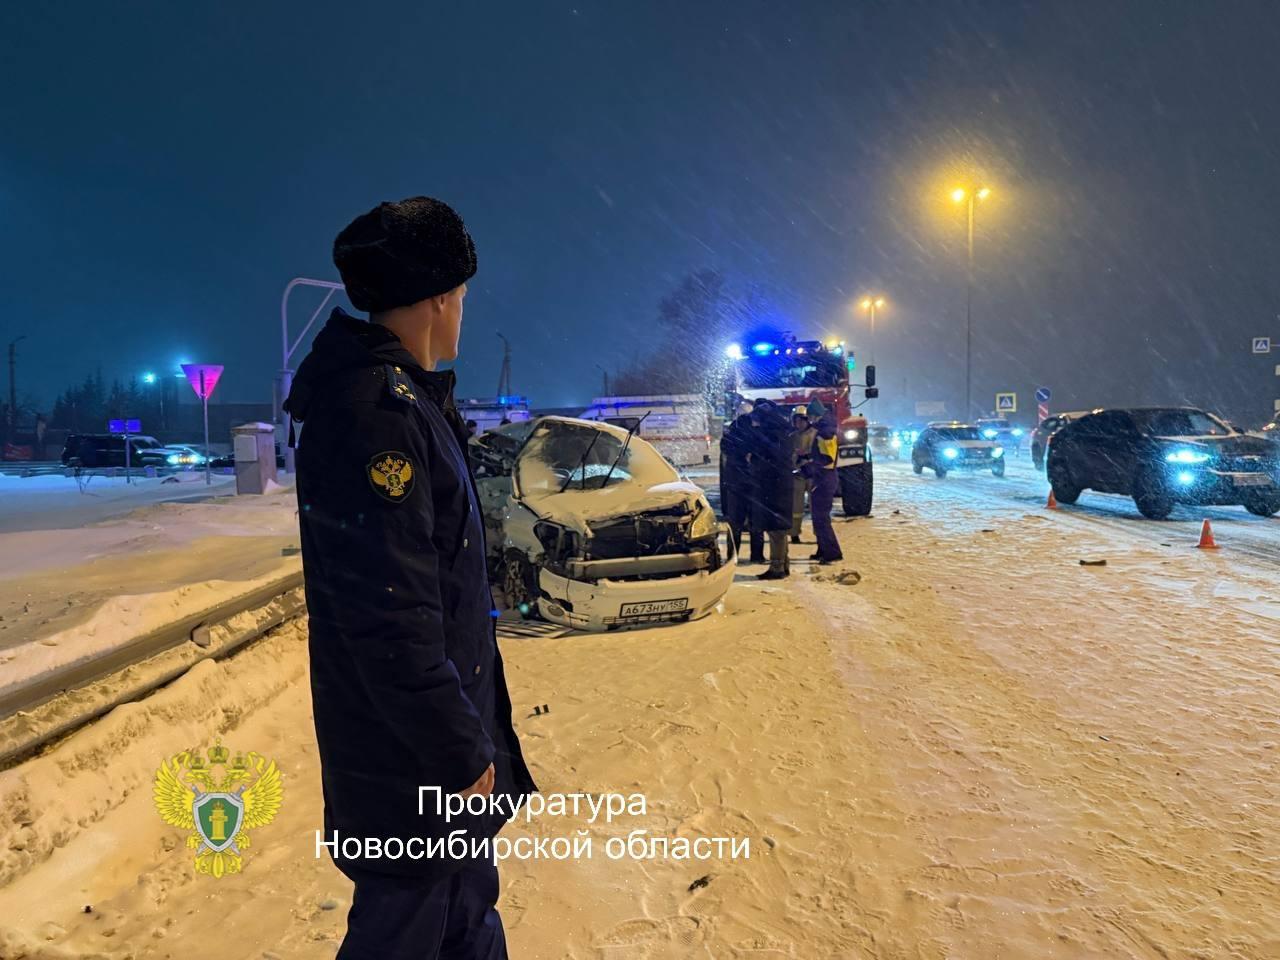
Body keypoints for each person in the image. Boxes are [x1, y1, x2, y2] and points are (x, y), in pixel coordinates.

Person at [284, 196, 536, 960]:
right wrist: (458, 749)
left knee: (462, 919)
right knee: (411, 926)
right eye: (460, 294)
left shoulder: (408, 403)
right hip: (412, 767)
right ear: (437, 298)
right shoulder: (375, 414)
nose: (462, 309)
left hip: (432, 758)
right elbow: (388, 612)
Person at [749, 399, 793, 579]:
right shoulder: (783, 432)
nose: (755, 423)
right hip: (781, 484)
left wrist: (755, 460)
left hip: (774, 486)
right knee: (779, 528)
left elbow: (767, 461)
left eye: (757, 419)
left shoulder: (770, 436)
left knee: (776, 529)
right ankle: (784, 564)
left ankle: (777, 568)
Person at [719, 401, 762, 562]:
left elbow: (725, 452)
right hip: (753, 482)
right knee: (755, 522)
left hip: (735, 483)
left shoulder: (730, 433)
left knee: (735, 523)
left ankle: (732, 555)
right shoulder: (757, 433)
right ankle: (757, 555)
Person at [801, 410, 844, 564]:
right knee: (818, 517)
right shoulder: (825, 431)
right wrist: (807, 457)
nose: (809, 419)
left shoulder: (824, 434)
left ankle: (832, 552)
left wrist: (809, 467)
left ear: (817, 415)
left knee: (821, 518)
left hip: (824, 479)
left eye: (811, 415)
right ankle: (823, 549)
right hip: (824, 478)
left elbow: (827, 459)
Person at [788, 410, 815, 544]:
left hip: (812, 473)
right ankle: (794, 533)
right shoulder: (793, 436)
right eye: (796, 421)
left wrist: (807, 456)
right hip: (798, 473)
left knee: (815, 505)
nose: (798, 424)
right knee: (795, 507)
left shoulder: (815, 434)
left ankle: (819, 533)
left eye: (801, 421)